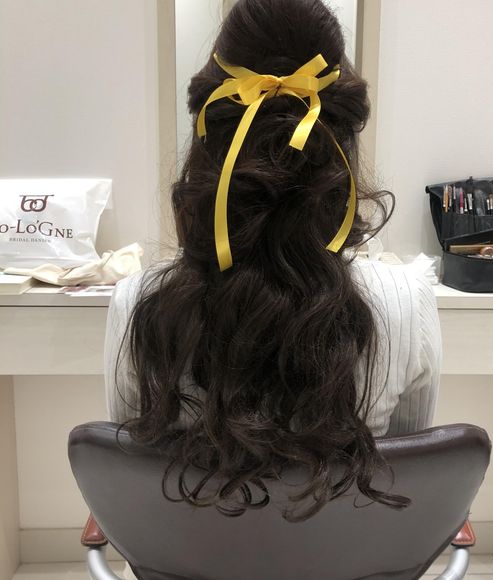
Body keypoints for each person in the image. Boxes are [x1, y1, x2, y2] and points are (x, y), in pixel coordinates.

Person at [105, 0, 441, 526]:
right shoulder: (406, 304)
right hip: (345, 559)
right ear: (342, 146)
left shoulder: (139, 305)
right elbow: (405, 477)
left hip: (194, 560)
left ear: (210, 142)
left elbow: (134, 482)